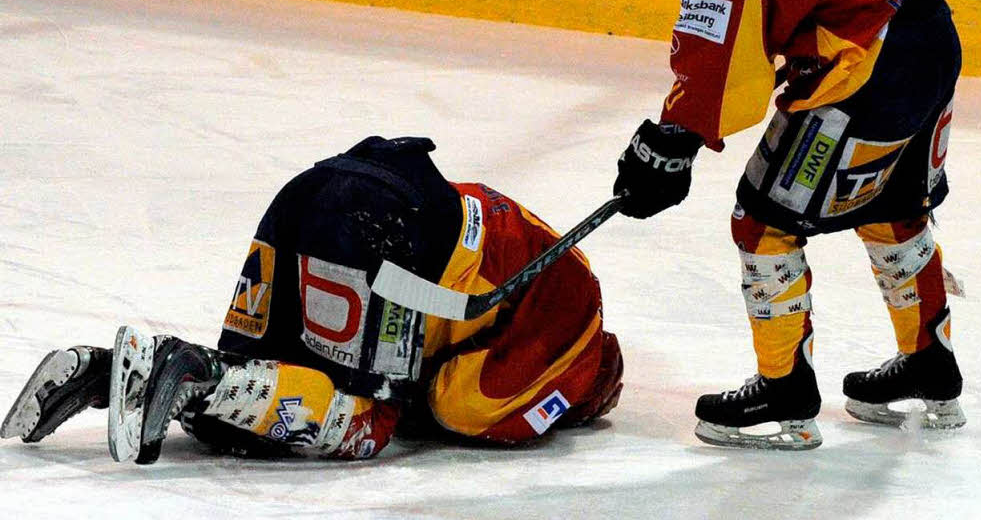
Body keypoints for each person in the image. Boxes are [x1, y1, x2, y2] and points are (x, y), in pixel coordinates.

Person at [609, 0, 964, 450]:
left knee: (761, 219)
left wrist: (670, 140)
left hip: (864, 74)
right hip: (932, 38)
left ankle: (785, 389)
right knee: (893, 205)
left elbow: (717, 55)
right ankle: (931, 363)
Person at [2, 136, 623, 463]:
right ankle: (206, 381)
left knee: (275, 363)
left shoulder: (563, 279)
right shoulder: (577, 331)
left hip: (313, 191)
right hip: (393, 238)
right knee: (395, 418)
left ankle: (121, 372)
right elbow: (428, 410)